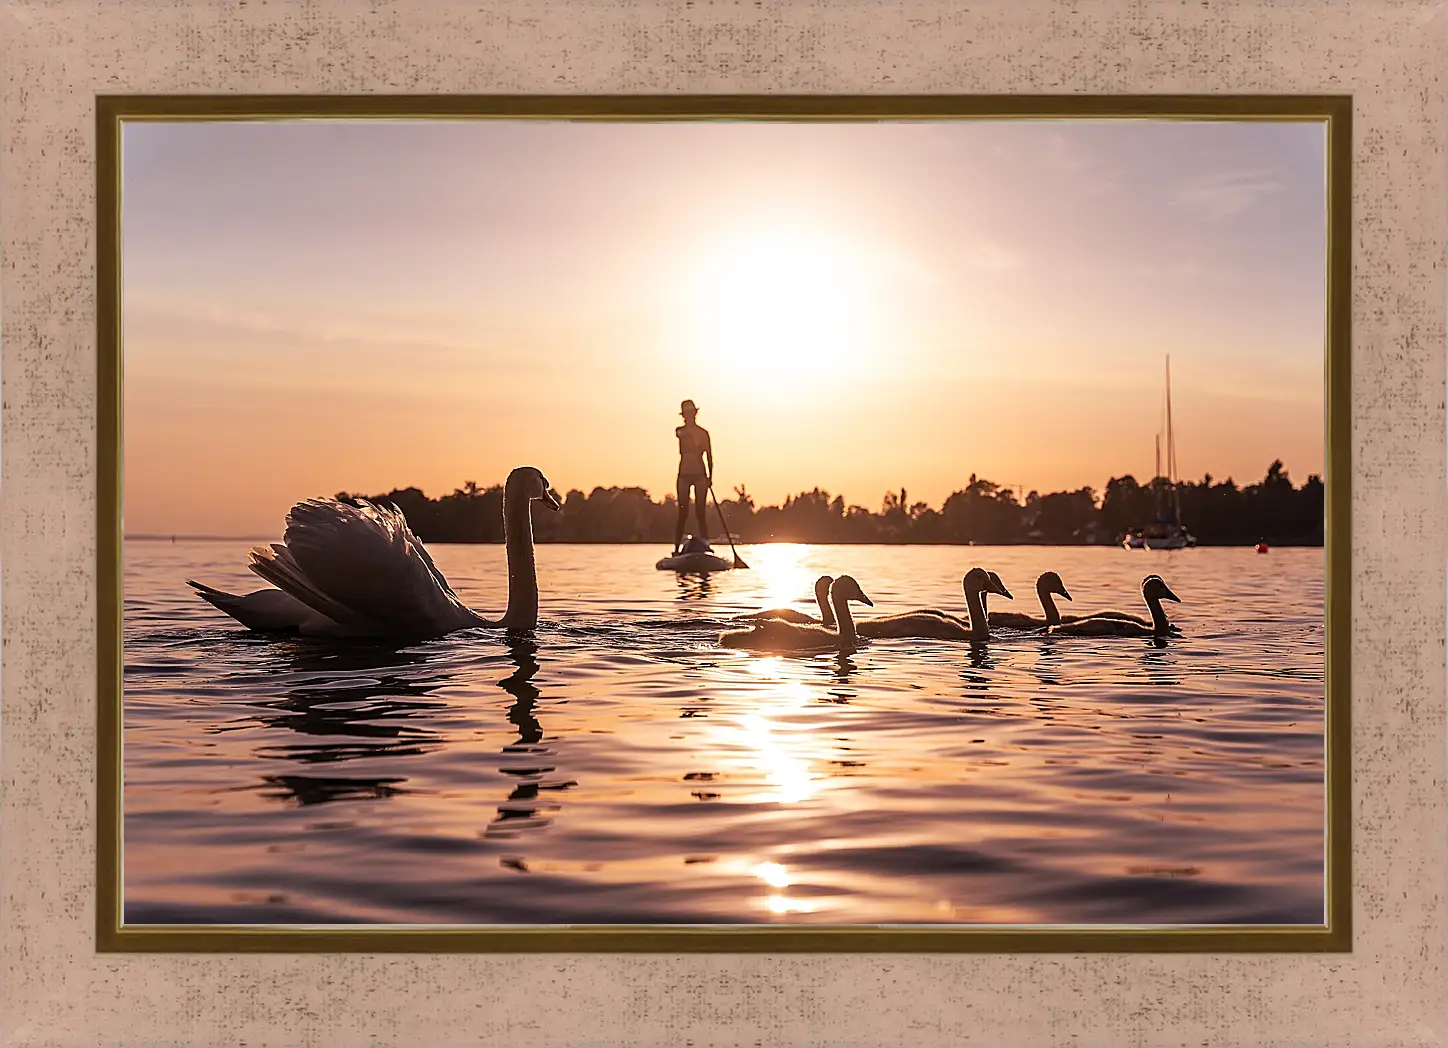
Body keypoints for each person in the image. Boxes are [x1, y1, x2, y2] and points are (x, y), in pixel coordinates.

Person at [673, 399, 713, 555]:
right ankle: (676, 549)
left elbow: (709, 455)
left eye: (691, 413)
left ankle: (706, 546)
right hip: (683, 474)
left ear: (695, 414)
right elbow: (681, 434)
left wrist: (710, 476)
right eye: (686, 414)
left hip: (699, 475)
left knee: (700, 512)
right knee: (683, 513)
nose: (688, 417)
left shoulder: (703, 433)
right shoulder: (680, 430)